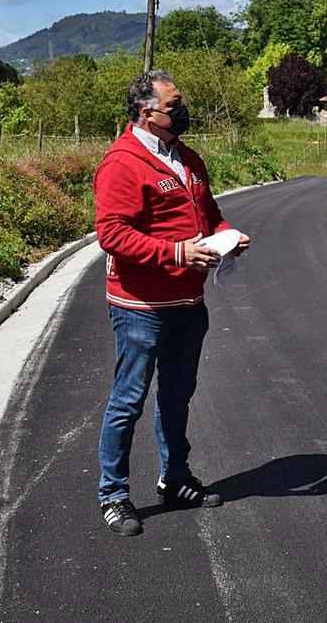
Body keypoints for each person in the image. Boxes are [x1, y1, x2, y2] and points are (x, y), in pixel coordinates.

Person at [93, 70, 250, 536]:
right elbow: (112, 234)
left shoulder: (188, 159)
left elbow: (211, 216)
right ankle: (114, 495)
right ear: (147, 113)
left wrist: (226, 236)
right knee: (128, 401)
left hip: (188, 302)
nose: (182, 111)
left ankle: (175, 478)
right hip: (140, 306)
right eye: (174, 104)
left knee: (177, 396)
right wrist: (177, 252)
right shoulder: (121, 163)